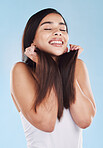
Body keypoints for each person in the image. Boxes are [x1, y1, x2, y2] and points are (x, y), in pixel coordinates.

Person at [10, 8, 96, 148]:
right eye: (48, 28)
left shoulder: (77, 66)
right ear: (33, 39)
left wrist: (67, 68)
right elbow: (46, 123)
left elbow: (85, 120)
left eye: (62, 29)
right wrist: (46, 68)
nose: (58, 32)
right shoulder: (21, 71)